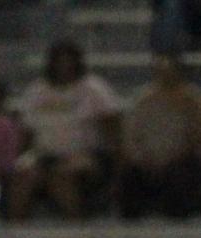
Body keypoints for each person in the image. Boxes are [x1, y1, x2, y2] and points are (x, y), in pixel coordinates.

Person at [11, 40, 122, 220]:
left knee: (61, 176)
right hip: (44, 156)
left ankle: (80, 236)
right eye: (59, 62)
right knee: (23, 176)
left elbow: (112, 128)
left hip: (85, 156)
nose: (64, 67)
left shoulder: (94, 89)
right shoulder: (37, 91)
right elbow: (26, 132)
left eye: (68, 61)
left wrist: (116, 165)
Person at [120, 55, 201, 220]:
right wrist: (144, 158)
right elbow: (132, 136)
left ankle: (181, 233)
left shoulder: (192, 100)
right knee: (128, 175)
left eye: (169, 71)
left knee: (179, 176)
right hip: (147, 161)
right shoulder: (143, 99)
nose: (165, 75)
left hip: (182, 160)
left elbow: (199, 137)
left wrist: (171, 158)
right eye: (161, 71)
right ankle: (131, 237)